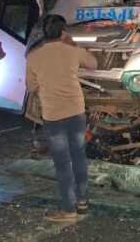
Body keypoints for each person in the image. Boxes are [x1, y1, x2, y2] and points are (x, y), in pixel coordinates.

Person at [26, 15, 97, 222]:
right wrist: (72, 43)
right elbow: (93, 62)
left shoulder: (34, 57)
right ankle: (83, 201)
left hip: (53, 115)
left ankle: (69, 210)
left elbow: (31, 87)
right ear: (63, 32)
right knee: (79, 156)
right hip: (76, 111)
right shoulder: (72, 51)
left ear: (44, 33)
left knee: (62, 162)